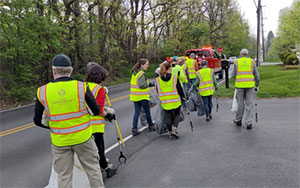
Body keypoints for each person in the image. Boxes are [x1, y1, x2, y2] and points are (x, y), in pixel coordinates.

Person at [33, 54, 104, 188]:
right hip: (84, 138)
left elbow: (37, 120)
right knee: (93, 170)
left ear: (53, 70)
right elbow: (96, 111)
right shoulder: (81, 87)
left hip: (60, 141)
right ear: (70, 70)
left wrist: (55, 126)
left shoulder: (42, 91)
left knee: (64, 176)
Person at [85, 62, 117, 178]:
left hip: (83, 124)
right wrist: (108, 115)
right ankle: (106, 168)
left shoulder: (82, 86)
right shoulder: (99, 90)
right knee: (99, 149)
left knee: (89, 151)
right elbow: (98, 109)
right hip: (96, 125)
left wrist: (105, 109)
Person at [231, 49, 260, 129]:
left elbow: (233, 75)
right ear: (248, 54)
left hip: (239, 86)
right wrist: (257, 84)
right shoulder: (252, 62)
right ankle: (249, 122)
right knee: (249, 104)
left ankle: (238, 120)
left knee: (240, 104)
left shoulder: (236, 62)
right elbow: (257, 75)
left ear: (240, 54)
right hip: (250, 86)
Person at [156, 61, 185, 139]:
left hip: (165, 101)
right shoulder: (174, 78)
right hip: (175, 100)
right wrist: (183, 96)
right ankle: (174, 129)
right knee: (177, 114)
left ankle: (170, 131)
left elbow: (158, 91)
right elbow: (179, 89)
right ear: (169, 68)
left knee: (168, 116)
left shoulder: (158, 80)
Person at [130, 58, 156, 136]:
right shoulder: (142, 74)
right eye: (146, 64)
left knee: (137, 112)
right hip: (143, 96)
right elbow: (141, 85)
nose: (147, 66)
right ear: (142, 65)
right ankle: (151, 125)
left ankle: (134, 128)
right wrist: (149, 84)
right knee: (147, 112)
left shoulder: (135, 73)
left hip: (135, 97)